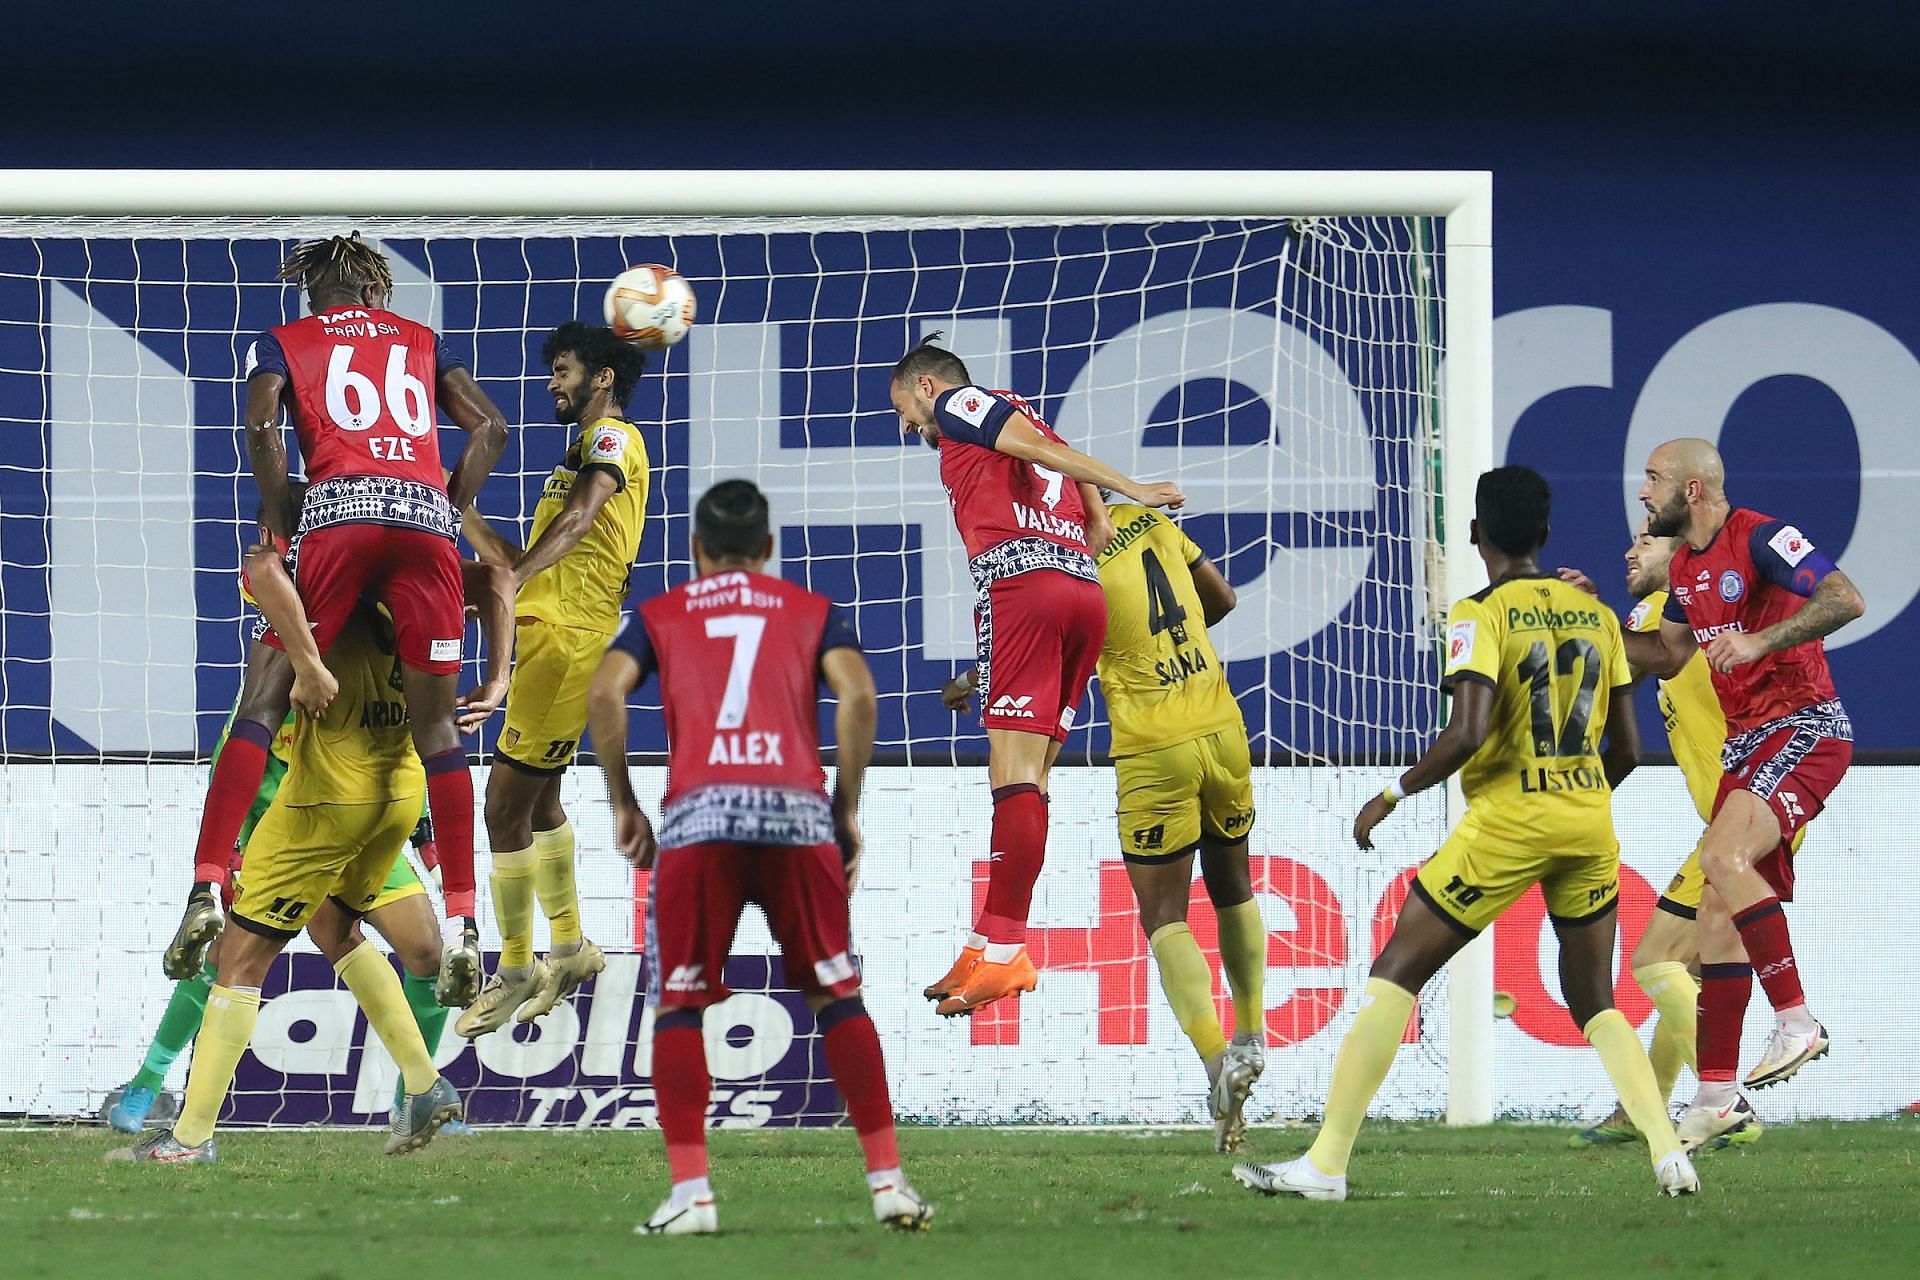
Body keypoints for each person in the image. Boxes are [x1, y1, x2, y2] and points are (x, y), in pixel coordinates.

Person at [1233, 466, 1698, 1201]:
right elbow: (1628, 753)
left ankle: (1325, 1166)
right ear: (1545, 535)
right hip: (1588, 821)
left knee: (1397, 971)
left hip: (1508, 828)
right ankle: (1668, 1152)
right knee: (1594, 999)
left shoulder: (1480, 615)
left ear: (1476, 534)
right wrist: (1572, 799)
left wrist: (1392, 791)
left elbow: (1469, 732)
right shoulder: (1598, 617)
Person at [167, 233, 510, 1009]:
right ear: (375, 292)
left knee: (263, 694)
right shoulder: (424, 341)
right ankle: (462, 923)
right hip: (422, 521)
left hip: (336, 517)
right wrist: (438, 507)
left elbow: (261, 428)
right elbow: (490, 429)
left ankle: (207, 883)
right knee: (439, 736)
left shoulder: (284, 340)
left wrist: (280, 516)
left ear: (309, 292)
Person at [587, 479, 931, 1235]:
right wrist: (843, 808)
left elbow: (607, 694)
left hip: (702, 817)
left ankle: (693, 1198)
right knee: (836, 992)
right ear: (770, 550)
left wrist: (625, 803)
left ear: (696, 551)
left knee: (679, 1002)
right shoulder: (811, 612)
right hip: (794, 814)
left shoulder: (659, 615)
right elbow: (861, 697)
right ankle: (888, 1183)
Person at [113, 541, 513, 1163]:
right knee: (363, 937)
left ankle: (188, 1138)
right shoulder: (421, 593)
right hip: (388, 798)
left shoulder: (308, 603)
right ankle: (424, 1085)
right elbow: (495, 577)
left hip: (316, 810)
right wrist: (499, 677)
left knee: (238, 957)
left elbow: (262, 570)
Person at [941, 500, 1269, 1150]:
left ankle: (1215, 1061)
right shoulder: (1152, 522)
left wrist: (975, 678)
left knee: (1164, 915)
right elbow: (1224, 599)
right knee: (1234, 885)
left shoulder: (1064, 555)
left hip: (1155, 746)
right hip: (1223, 723)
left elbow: (1037, 652)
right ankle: (1252, 1035)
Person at [889, 335, 1185, 1017]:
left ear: (928, 387)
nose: (906, 425)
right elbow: (1059, 453)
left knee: (1013, 775)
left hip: (1021, 585)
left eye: (904, 406)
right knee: (1035, 776)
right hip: (1082, 595)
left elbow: (1044, 453)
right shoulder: (1023, 413)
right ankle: (987, 941)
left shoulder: (964, 403)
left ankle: (1007, 952)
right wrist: (1101, 514)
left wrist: (1129, 489)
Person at [1615, 437, 1863, 1149]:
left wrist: (1762, 641)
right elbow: (1664, 655)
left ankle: (1796, 1020)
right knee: (1717, 915)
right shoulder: (1688, 568)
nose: (1643, 492)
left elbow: (1845, 598)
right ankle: (1716, 1096)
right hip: (1747, 747)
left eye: (1653, 479)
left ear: (1692, 489)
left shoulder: (1759, 537)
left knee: (1723, 862)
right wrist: (1592, 624)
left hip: (1804, 727)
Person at [1561, 521, 1803, 1148]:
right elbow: (1636, 660)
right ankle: (1642, 1107)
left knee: (1655, 960)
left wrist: (1586, 617)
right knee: (1688, 971)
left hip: (1743, 818)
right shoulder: (1667, 616)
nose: (1630, 550)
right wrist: (1600, 616)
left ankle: (1724, 1103)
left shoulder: (1680, 602)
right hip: (1744, 813)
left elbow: (1640, 657)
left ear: (1684, 555)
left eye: (1647, 541)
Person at [456, 323, 651, 1036]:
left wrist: (516, 576)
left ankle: (514, 966)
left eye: (563, 370)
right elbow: (528, 555)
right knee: (537, 806)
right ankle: (568, 948)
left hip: (569, 646)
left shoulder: (613, 444)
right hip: (551, 637)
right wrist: (462, 514)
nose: (552, 382)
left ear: (602, 378)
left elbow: (573, 524)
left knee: (501, 809)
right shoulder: (573, 459)